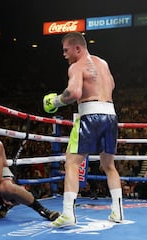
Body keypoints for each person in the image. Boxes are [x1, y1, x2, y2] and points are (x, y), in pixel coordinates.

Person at [43, 32, 123, 227]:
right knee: (109, 166)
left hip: (90, 115)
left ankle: (68, 213)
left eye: (65, 50)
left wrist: (55, 101)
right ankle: (117, 212)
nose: (64, 54)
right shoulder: (103, 63)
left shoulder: (76, 66)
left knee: (71, 162)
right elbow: (111, 84)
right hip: (111, 115)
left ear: (77, 48)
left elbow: (74, 92)